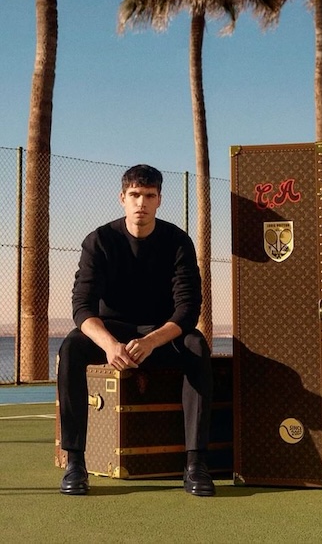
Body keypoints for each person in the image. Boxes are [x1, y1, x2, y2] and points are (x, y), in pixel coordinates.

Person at [57, 164, 214, 496]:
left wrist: (152, 341)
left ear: (159, 200)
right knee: (71, 347)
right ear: (122, 198)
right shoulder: (99, 241)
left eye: (149, 196)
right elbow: (82, 307)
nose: (141, 203)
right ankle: (75, 462)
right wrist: (110, 344)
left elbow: (188, 309)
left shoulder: (177, 242)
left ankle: (196, 463)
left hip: (160, 333)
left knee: (197, 346)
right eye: (135, 195)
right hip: (112, 332)